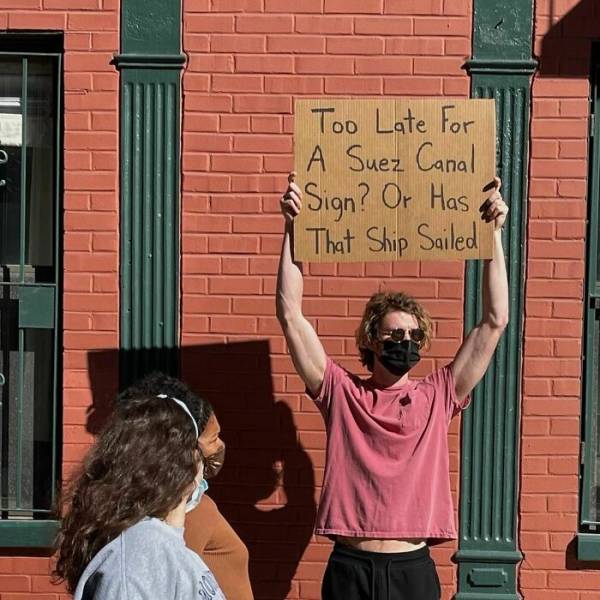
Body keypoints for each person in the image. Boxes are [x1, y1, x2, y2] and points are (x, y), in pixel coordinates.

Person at [276, 172, 508, 599]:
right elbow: (291, 314)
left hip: (411, 571)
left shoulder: (438, 395)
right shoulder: (342, 393)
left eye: (413, 337)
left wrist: (493, 235)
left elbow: (494, 321)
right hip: (350, 568)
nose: (405, 343)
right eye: (394, 334)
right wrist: (293, 227)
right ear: (370, 338)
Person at [53, 393, 226, 600]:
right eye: (195, 449)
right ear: (178, 464)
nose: (205, 460)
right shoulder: (141, 554)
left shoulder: (159, 547)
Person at [117, 372, 254, 600]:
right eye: (212, 439)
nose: (219, 447)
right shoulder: (187, 515)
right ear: (185, 447)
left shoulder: (195, 506)